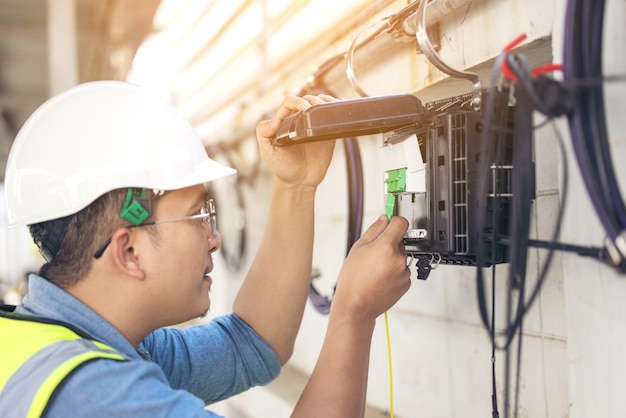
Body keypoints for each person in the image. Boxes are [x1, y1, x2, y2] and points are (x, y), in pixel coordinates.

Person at [0, 80, 410, 417]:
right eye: (198, 215)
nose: (213, 237)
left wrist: (296, 187)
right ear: (128, 252)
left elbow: (252, 344)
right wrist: (353, 314)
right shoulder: (100, 399)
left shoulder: (55, 344)